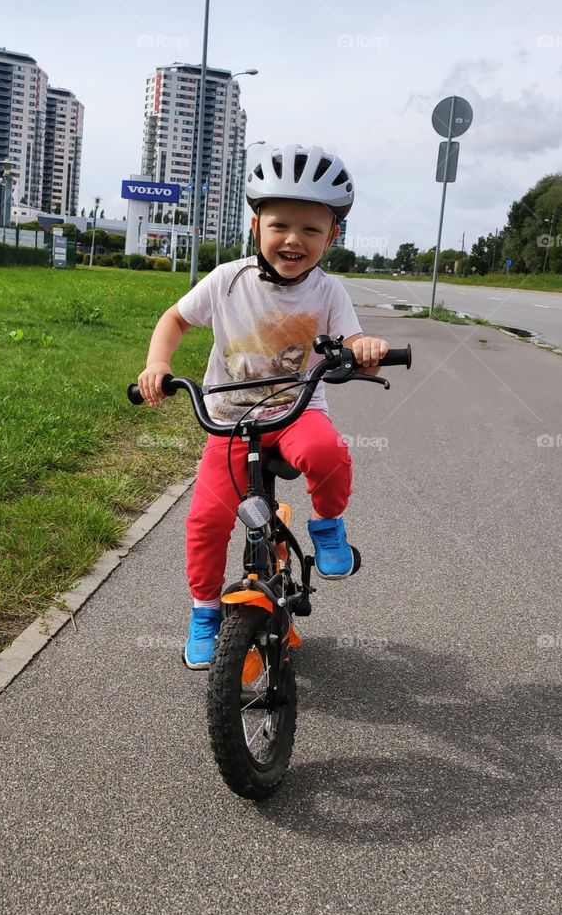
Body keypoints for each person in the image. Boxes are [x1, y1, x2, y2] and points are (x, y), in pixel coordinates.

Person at [137, 143, 388, 670]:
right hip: (230, 423)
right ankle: (205, 610)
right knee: (206, 519)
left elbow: (352, 344)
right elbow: (174, 320)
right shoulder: (228, 280)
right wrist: (158, 364)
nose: (293, 240)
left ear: (331, 237)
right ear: (256, 226)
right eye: (279, 225)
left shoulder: (328, 292)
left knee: (327, 451)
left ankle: (328, 526)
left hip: (295, 414)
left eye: (311, 229)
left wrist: (364, 350)